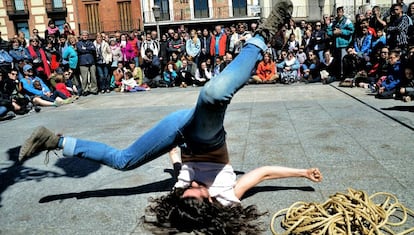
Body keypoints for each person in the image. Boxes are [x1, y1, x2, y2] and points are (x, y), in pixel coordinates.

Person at [19, 1, 322, 234]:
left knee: (124, 161)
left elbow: (181, 171)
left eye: (187, 191)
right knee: (212, 95)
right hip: (207, 139)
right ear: (209, 204)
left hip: (179, 131)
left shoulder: (182, 194)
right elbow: (262, 174)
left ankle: (54, 140)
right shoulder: (228, 197)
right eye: (199, 191)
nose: (194, 186)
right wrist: (302, 173)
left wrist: (174, 155)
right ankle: (264, 36)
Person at [77, 31, 98, 96]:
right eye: (83, 35)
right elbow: (80, 50)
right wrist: (88, 49)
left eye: (86, 35)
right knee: (84, 78)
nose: (85, 36)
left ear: (88, 36)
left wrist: (85, 48)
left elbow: (93, 49)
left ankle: (94, 89)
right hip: (83, 62)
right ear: (81, 36)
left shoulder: (91, 42)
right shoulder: (78, 43)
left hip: (91, 61)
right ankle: (85, 90)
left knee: (93, 76)